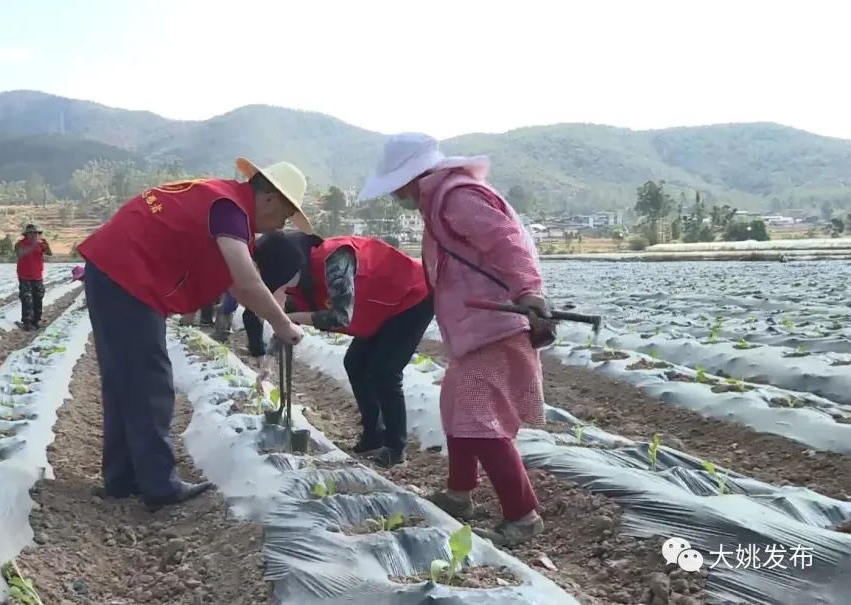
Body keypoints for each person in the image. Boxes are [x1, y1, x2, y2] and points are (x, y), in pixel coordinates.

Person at [75, 157, 311, 511]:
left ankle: (122, 480)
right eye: (285, 215)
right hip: (128, 276)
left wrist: (273, 318)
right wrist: (282, 324)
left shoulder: (219, 198)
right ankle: (159, 485)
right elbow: (245, 281)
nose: (280, 225)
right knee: (150, 381)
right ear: (270, 198)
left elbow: (236, 282)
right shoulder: (231, 209)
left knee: (124, 379)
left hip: (113, 271)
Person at [358, 132, 553, 546]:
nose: (395, 194)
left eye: (396, 185)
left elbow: (506, 242)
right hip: (474, 328)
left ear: (412, 177)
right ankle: (459, 494)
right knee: (456, 409)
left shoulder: (458, 197)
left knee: (479, 419)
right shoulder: (441, 200)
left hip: (496, 324)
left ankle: (523, 515)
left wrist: (529, 292)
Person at [244, 231, 433, 467]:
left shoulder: (336, 260)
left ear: (291, 267)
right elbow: (285, 325)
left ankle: (395, 447)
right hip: (378, 307)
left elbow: (340, 316)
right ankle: (374, 435)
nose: (278, 287)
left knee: (385, 371)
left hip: (411, 297)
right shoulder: (299, 280)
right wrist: (268, 362)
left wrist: (292, 318)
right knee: (354, 363)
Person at [15, 224, 52, 330]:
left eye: (35, 233)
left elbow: (49, 253)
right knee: (26, 299)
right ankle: (27, 322)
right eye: (31, 233)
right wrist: (33, 245)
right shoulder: (20, 244)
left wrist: (45, 245)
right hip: (24, 275)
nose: (34, 235)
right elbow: (20, 253)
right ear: (26, 234)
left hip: (37, 275)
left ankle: (36, 320)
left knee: (38, 298)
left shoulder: (41, 244)